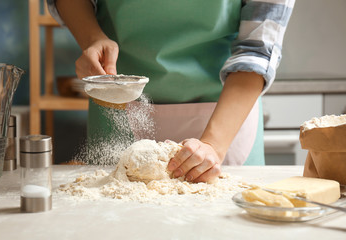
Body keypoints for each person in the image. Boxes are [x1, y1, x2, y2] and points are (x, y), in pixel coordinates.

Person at [47, 0, 295, 183]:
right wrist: (92, 38)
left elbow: (257, 50)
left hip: (226, 114)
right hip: (121, 104)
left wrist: (213, 145)